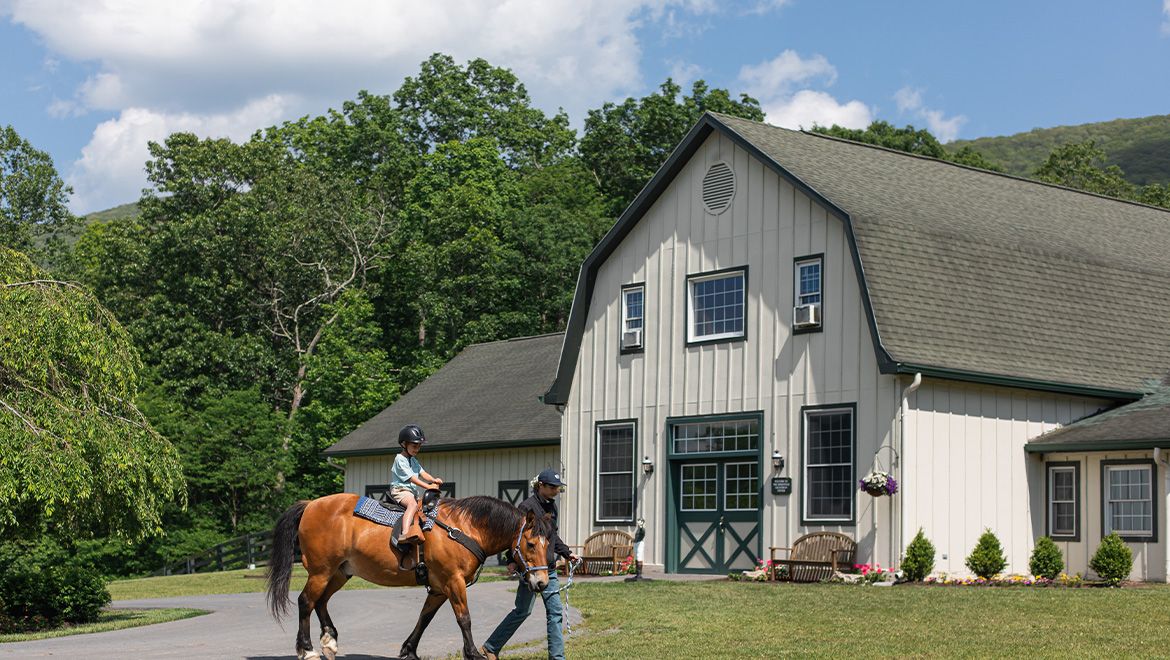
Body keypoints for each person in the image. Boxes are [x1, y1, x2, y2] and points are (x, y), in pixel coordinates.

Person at [479, 469, 580, 660]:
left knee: (555, 612)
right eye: (552, 487)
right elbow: (515, 536)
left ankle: (557, 657)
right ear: (540, 485)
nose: (556, 490)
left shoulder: (552, 507)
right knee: (522, 611)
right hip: (531, 571)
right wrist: (511, 561)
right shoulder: (526, 507)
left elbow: (552, 536)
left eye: (558, 488)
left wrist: (567, 553)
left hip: (548, 570)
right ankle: (491, 647)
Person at [390, 424, 443, 545]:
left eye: (419, 447)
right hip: (400, 490)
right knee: (412, 505)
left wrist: (434, 480)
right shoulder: (399, 459)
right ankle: (405, 533)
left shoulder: (413, 460)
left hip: (411, 492)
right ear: (404, 444)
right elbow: (412, 478)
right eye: (414, 446)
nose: (417, 449)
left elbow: (423, 474)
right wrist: (428, 486)